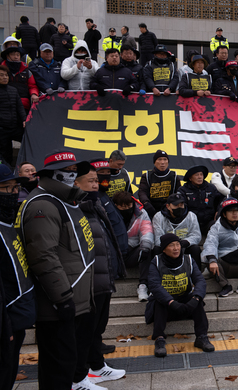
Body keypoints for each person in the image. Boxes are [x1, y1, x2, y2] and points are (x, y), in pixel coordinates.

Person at [16, 150, 94, 390]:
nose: (72, 175)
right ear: (50, 174)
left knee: (67, 363)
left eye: (74, 171)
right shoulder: (44, 205)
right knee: (58, 367)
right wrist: (62, 298)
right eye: (67, 171)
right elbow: (43, 256)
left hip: (74, 298)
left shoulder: (65, 201)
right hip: (58, 303)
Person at [73, 165, 127, 387]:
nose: (95, 184)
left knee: (97, 327)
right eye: (90, 181)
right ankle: (78, 377)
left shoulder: (96, 203)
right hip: (88, 280)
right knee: (85, 330)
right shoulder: (75, 208)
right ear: (76, 183)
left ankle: (97, 366)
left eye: (96, 180)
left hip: (104, 276)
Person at [147, 233, 214, 357]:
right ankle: (159, 339)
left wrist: (196, 297)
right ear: (164, 249)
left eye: (177, 244)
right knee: (158, 301)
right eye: (171, 245)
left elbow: (200, 280)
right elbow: (154, 286)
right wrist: (171, 302)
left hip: (184, 300)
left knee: (198, 301)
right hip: (167, 304)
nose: (176, 248)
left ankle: (201, 337)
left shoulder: (188, 259)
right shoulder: (155, 262)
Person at [0, 164, 35, 390]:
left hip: (18, 317)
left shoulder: (9, 223)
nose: (13, 194)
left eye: (15, 188)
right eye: (6, 188)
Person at [112, 191, 154, 302]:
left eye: (129, 206)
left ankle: (143, 285)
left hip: (132, 252)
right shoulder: (108, 214)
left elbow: (147, 231)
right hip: (114, 255)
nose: (126, 209)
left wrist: (145, 246)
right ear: (115, 205)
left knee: (147, 249)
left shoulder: (141, 213)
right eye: (122, 206)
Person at [153, 192, 202, 260]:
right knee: (156, 249)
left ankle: (195, 270)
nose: (179, 207)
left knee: (195, 249)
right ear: (168, 206)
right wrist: (171, 245)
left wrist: (185, 242)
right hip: (166, 248)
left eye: (181, 205)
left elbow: (196, 235)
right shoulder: (158, 217)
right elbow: (158, 238)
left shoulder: (191, 216)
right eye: (176, 205)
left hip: (184, 247)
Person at [179, 165, 223, 240]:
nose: (200, 177)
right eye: (197, 175)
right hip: (191, 224)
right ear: (190, 178)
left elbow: (220, 200)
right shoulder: (183, 190)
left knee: (217, 225)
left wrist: (218, 211)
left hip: (208, 223)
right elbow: (181, 207)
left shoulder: (211, 188)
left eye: (201, 174)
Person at [138, 150, 182, 218]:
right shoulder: (147, 176)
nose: (162, 162)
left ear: (168, 162)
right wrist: (146, 203)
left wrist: (171, 205)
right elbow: (142, 192)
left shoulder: (174, 176)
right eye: (159, 159)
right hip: (151, 208)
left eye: (165, 159)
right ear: (154, 162)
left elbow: (178, 193)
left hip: (169, 208)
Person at [0, 65, 26, 165]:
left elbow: (20, 107)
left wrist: (24, 119)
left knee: (27, 141)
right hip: (2, 129)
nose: (5, 77)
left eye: (6, 75)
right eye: (1, 75)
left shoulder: (13, 90)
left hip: (15, 127)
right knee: (6, 154)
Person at [0, 46, 39, 113]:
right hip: (5, 104)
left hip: (24, 104)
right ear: (7, 56)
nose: (16, 57)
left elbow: (32, 86)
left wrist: (34, 94)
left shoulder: (27, 71)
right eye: (13, 55)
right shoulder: (2, 71)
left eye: (18, 55)